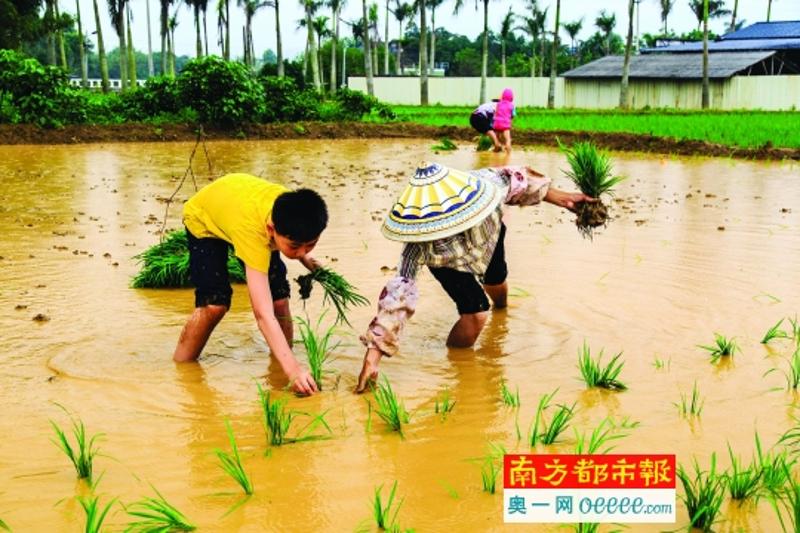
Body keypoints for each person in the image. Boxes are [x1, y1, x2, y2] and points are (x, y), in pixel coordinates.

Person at [355, 162, 595, 392]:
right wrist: (373, 358)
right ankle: (458, 361)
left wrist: (564, 199)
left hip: (488, 239)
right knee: (477, 313)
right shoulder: (418, 245)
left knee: (497, 282)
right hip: (449, 265)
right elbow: (397, 298)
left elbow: (521, 182)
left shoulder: (490, 183)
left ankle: (503, 309)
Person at [173, 173, 328, 396]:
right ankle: (181, 368)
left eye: (311, 245)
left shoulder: (290, 208)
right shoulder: (254, 234)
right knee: (214, 305)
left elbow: (298, 241)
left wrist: (304, 259)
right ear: (271, 230)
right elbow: (262, 314)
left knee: (280, 300)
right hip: (204, 218)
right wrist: (294, 370)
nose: (302, 250)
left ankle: (279, 368)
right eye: (295, 246)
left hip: (237, 206)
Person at [493, 88, 516, 153]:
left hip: (497, 124)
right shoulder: (512, 106)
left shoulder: (498, 104)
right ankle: (508, 154)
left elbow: (495, 113)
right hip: (505, 125)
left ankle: (498, 149)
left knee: (498, 139)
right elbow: (513, 115)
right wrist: (510, 121)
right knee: (508, 140)